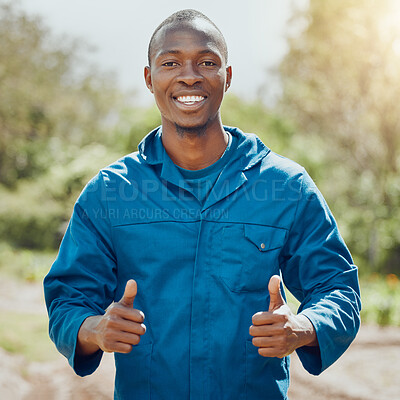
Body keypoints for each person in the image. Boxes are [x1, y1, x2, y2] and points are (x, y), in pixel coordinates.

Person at [44, 9, 361, 400]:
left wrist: (304, 327)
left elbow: (338, 287)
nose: (189, 75)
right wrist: (93, 329)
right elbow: (67, 300)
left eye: (207, 62)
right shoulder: (110, 193)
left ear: (227, 77)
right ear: (150, 78)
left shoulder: (285, 187)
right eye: (171, 62)